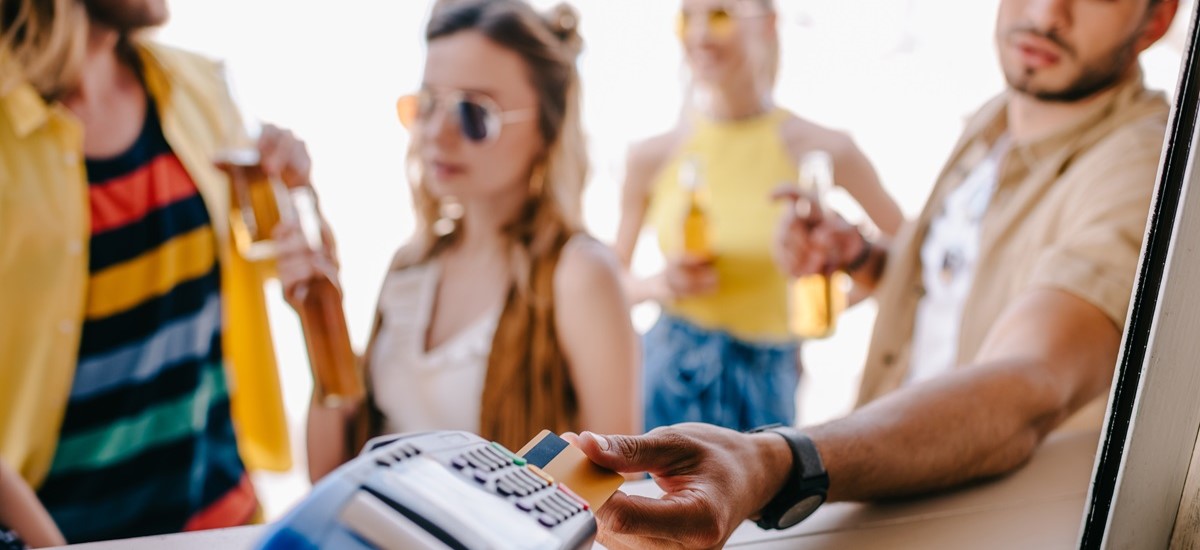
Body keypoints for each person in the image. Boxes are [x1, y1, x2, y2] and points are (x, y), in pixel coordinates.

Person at [571, 0, 1181, 547]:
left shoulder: (1141, 168)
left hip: (979, 521)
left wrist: (778, 461)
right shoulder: (995, 123)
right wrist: (861, 256)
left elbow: (1031, 382)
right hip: (880, 491)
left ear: (1156, 19)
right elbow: (954, 292)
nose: (1048, 13)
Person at [280, 0, 641, 482]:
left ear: (545, 129)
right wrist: (320, 315)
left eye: (474, 113)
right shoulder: (409, 266)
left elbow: (613, 484)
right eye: (428, 104)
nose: (437, 133)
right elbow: (330, 476)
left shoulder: (579, 274)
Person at [0, 0, 306, 542]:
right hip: (59, 532)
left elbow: (246, 270)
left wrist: (289, 193)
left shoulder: (197, 84)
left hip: (221, 518)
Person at [613, 0, 903, 432]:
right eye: (686, 17)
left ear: (768, 23)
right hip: (669, 372)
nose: (699, 34)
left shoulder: (826, 149)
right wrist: (660, 284)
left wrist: (831, 301)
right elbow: (613, 282)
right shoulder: (651, 156)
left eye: (719, 15)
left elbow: (914, 256)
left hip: (769, 380)